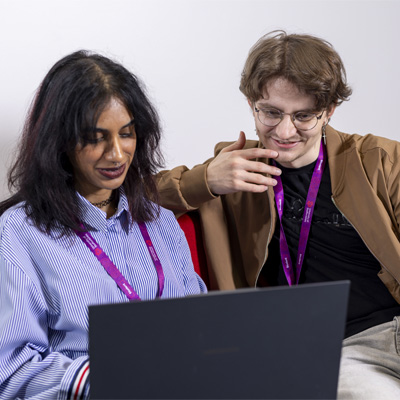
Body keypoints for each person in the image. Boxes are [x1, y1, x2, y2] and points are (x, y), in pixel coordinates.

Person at [157, 31, 400, 398]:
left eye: (303, 116)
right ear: (251, 103)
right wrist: (205, 179)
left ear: (329, 110)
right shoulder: (234, 168)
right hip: (346, 350)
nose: (285, 132)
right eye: (271, 112)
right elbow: (129, 195)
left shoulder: (379, 161)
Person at [0, 50, 207, 399]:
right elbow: (12, 369)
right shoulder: (19, 234)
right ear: (60, 142)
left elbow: (202, 328)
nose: (116, 154)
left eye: (127, 134)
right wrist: (113, 378)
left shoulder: (162, 223)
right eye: (96, 138)